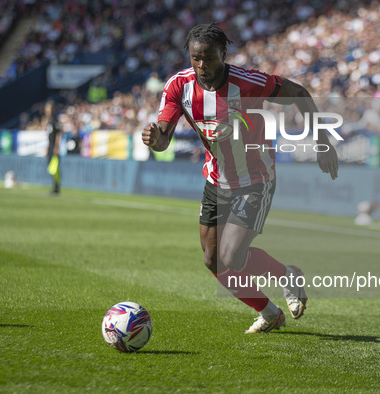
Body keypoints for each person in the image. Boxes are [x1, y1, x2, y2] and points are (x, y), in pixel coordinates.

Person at [143, 23, 338, 333]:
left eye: (208, 57)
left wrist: (322, 140)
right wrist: (154, 138)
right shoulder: (179, 87)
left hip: (255, 177)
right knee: (213, 261)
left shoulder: (247, 83)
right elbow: (163, 140)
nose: (202, 66)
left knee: (231, 255)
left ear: (224, 53)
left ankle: (287, 275)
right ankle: (271, 313)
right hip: (216, 179)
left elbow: (299, 93)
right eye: (196, 58)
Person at [44, 100, 63, 194]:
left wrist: (56, 146)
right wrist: (48, 147)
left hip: (54, 146)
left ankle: (56, 187)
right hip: (50, 146)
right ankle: (54, 186)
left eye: (49, 108)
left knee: (54, 168)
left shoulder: (55, 120)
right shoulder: (49, 121)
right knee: (50, 168)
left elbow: (58, 134)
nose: (47, 110)